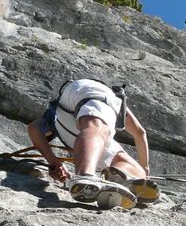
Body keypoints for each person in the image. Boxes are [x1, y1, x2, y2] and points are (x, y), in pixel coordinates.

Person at [27, 78, 159, 209]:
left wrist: (144, 172)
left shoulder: (72, 126)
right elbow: (140, 133)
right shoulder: (110, 103)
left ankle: (121, 179)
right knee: (98, 127)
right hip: (87, 92)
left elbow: (34, 129)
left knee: (137, 172)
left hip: (71, 115)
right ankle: (86, 176)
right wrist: (55, 163)